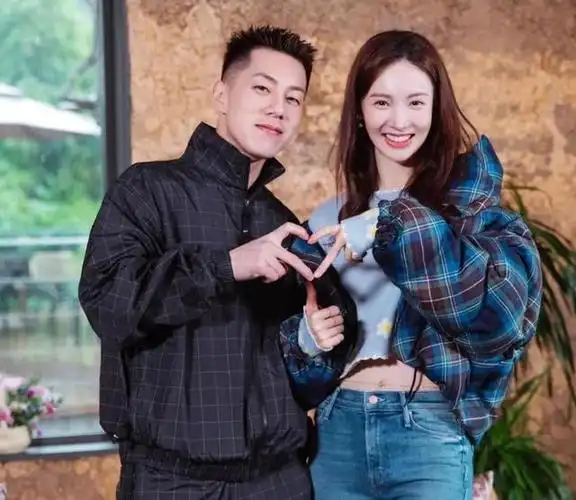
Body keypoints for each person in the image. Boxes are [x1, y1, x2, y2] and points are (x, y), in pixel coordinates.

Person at [78, 25, 352, 500]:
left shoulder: (283, 223)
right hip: (172, 481)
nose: (279, 108)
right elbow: (108, 305)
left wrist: (311, 337)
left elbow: (307, 372)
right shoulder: (146, 191)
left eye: (294, 98)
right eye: (262, 88)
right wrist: (227, 265)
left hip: (280, 480)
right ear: (221, 95)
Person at [280, 30, 542, 499]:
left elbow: (499, 322)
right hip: (338, 432)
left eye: (416, 102)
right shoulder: (326, 220)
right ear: (359, 112)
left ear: (436, 111)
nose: (399, 120)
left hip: (427, 430)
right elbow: (291, 361)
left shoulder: (470, 211)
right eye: (381, 102)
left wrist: (385, 225)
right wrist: (307, 340)